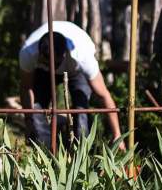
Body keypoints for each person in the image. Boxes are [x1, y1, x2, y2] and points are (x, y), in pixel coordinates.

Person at [19, 21, 124, 149]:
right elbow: (26, 87)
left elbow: (103, 95)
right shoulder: (28, 53)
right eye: (46, 62)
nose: (52, 67)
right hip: (43, 73)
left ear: (64, 55)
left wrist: (117, 135)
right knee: (36, 108)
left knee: (81, 109)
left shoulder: (82, 56)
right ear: (40, 54)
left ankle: (82, 150)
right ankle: (45, 151)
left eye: (55, 64)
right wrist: (29, 121)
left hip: (75, 70)